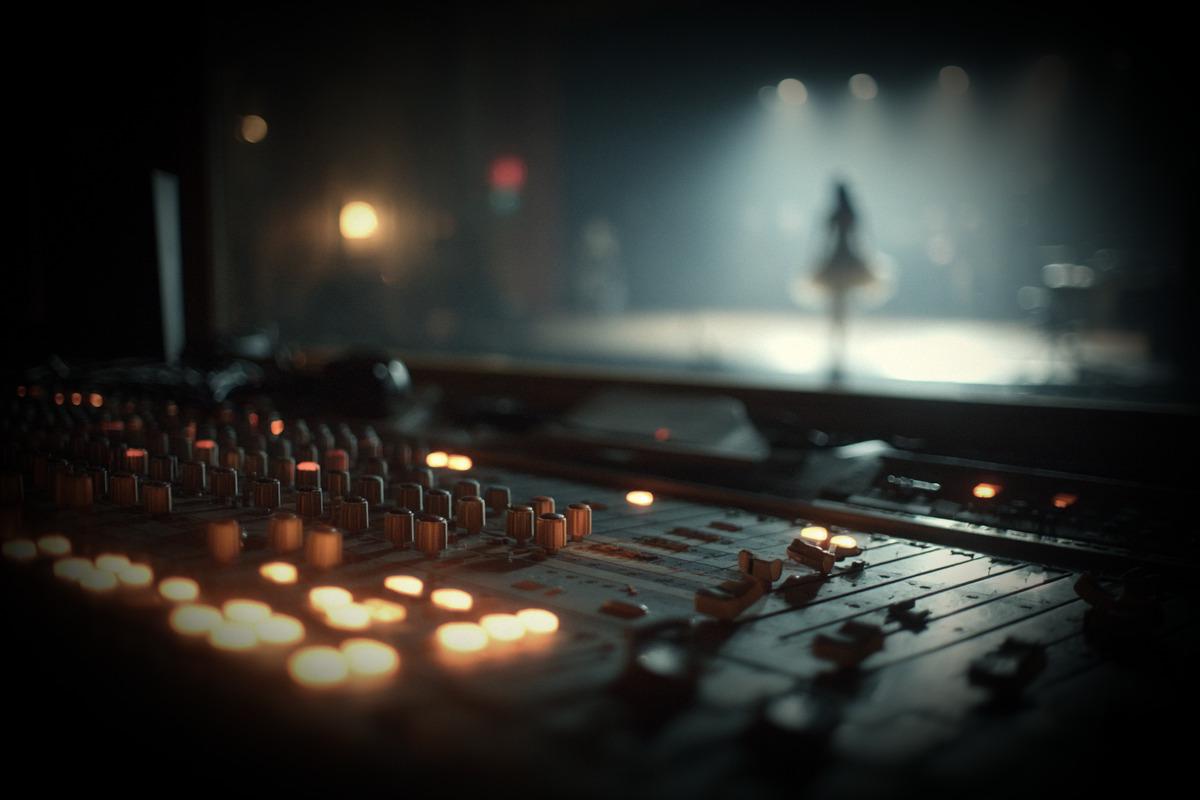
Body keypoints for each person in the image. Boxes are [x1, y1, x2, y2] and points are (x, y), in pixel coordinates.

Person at [813, 181, 877, 382]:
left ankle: (839, 350)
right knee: (841, 307)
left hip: (839, 262)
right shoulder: (849, 214)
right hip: (844, 261)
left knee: (838, 307)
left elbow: (826, 239)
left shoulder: (838, 214)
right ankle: (839, 350)